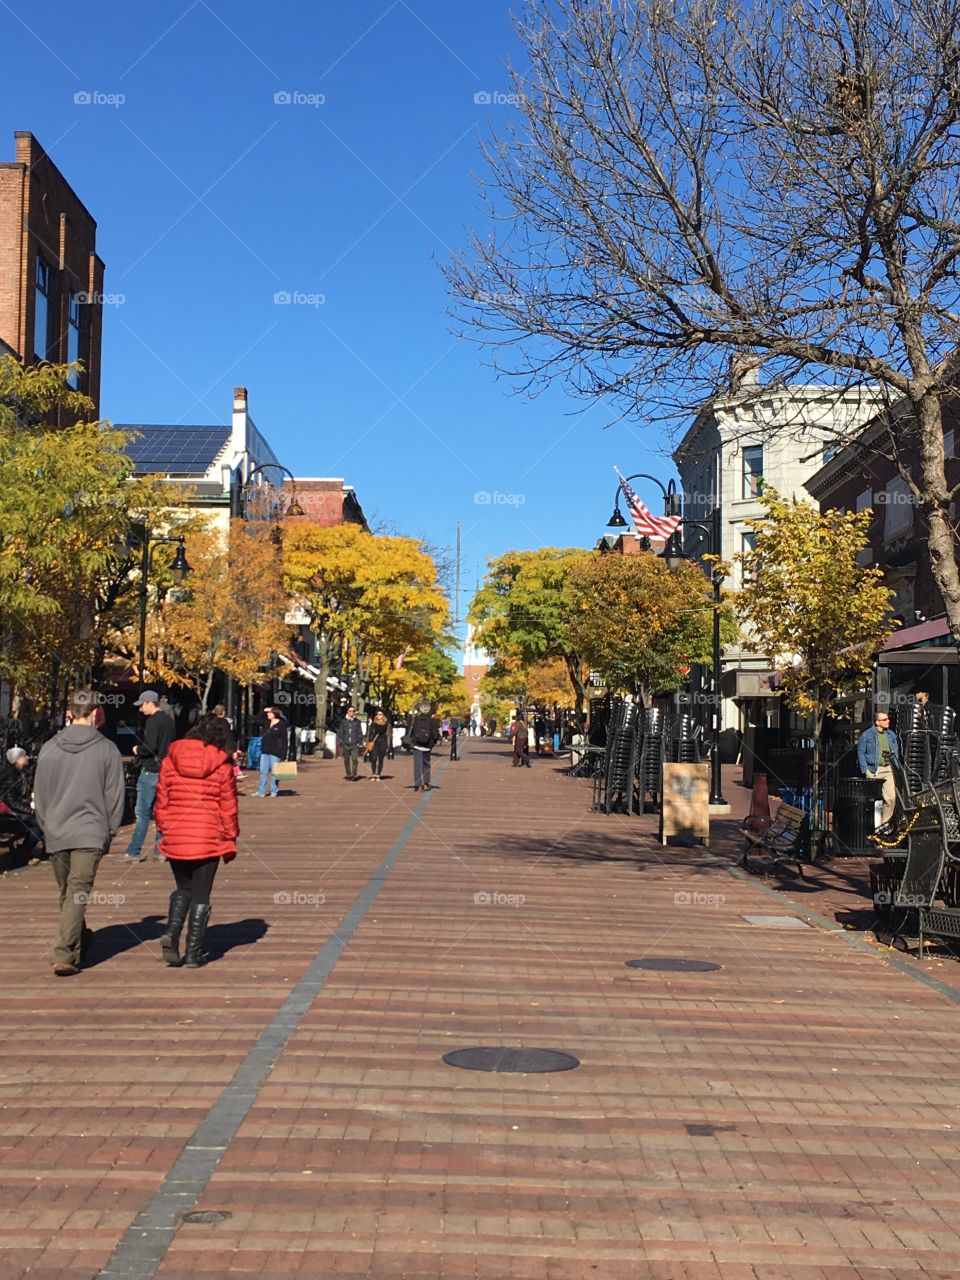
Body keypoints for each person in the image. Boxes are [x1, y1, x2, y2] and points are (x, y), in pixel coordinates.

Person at [33, 690, 126, 976]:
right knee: (73, 892)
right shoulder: (107, 749)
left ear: (70, 713)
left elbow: (41, 793)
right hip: (90, 830)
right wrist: (109, 831)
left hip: (57, 828)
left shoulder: (49, 747)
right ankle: (76, 941)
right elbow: (115, 796)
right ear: (97, 713)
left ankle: (64, 952)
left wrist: (46, 825)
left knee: (73, 891)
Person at [154, 714, 239, 968]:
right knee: (202, 894)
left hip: (177, 834)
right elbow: (228, 807)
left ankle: (172, 929)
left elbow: (161, 800)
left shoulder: (170, 761)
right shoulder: (222, 767)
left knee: (184, 887)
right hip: (208, 836)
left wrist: (165, 827)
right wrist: (230, 835)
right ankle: (193, 953)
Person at [124, 689, 175, 862]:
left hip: (150, 770)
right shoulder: (169, 720)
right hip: (165, 770)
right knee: (161, 811)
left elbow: (150, 746)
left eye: (141, 705)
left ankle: (134, 851)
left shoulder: (153, 721)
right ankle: (160, 850)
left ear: (149, 703)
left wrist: (138, 749)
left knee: (142, 813)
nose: (140, 709)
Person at [857, 708, 901, 827]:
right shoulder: (867, 735)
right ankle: (872, 826)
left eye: (888, 719)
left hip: (888, 769)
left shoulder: (891, 734)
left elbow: (895, 752)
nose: (888, 721)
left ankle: (884, 826)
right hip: (874, 770)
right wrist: (866, 770)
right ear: (877, 722)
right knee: (874, 801)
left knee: (891, 799)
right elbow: (860, 752)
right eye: (885, 719)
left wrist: (896, 768)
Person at [0, 746, 44, 848]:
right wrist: (29, 810)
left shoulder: (19, 772)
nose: (27, 757)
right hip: (10, 811)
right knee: (38, 823)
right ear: (18, 759)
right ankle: (24, 851)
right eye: (24, 756)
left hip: (14, 809)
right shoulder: (11, 774)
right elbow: (9, 800)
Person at [405, 700, 440, 791]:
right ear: (428, 710)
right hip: (427, 746)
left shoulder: (415, 720)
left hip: (416, 745)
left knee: (417, 764)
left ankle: (417, 784)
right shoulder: (432, 721)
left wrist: (412, 742)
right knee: (426, 764)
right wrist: (431, 744)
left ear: (420, 709)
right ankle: (426, 782)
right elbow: (435, 735)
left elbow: (409, 731)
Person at [256, 706, 288, 797]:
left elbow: (284, 740)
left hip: (276, 751)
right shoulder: (266, 722)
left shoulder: (281, 724)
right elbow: (257, 720)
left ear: (275, 714)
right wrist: (263, 710)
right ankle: (261, 790)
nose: (267, 714)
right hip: (265, 750)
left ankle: (274, 790)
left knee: (275, 772)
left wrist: (284, 754)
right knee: (263, 771)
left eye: (269, 713)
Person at [338, 705, 364, 781]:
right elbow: (341, 732)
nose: (352, 712)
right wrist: (342, 740)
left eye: (353, 711)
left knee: (355, 759)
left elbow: (359, 732)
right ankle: (348, 774)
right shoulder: (343, 721)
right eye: (350, 711)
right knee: (346, 760)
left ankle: (353, 774)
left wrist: (359, 740)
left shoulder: (357, 722)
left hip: (354, 743)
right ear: (347, 712)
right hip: (345, 743)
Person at [365, 709, 390, 780]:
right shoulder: (373, 724)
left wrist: (389, 745)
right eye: (377, 714)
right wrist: (368, 741)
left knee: (381, 759)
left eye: (380, 714)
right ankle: (373, 774)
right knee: (374, 758)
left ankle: (378, 774)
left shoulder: (386, 724)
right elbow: (369, 733)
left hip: (382, 742)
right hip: (374, 742)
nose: (379, 716)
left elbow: (382, 731)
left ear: (383, 716)